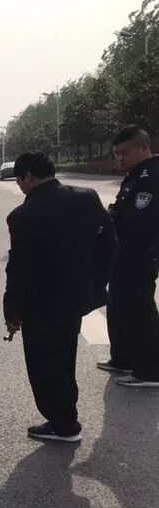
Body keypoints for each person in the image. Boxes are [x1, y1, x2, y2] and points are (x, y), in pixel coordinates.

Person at [4, 152, 116, 442]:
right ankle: (66, 418)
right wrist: (95, 282)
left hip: (40, 305)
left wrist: (11, 310)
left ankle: (63, 424)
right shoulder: (86, 198)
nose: (20, 185)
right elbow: (108, 244)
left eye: (19, 179)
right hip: (75, 298)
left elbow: (19, 269)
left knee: (44, 365)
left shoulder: (23, 216)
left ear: (29, 175)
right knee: (65, 357)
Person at [97, 126, 159, 388]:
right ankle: (123, 358)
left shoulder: (151, 176)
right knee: (119, 306)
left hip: (139, 256)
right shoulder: (135, 175)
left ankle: (151, 370)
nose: (120, 158)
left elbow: (139, 222)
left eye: (125, 152)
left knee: (140, 311)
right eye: (116, 154)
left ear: (144, 148)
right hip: (122, 255)